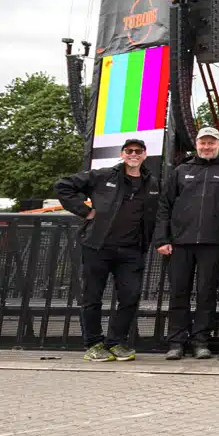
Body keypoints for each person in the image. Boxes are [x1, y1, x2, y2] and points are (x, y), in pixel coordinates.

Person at [53, 137, 162, 362]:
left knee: (130, 296)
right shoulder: (103, 175)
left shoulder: (152, 183)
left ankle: (116, 342)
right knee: (92, 297)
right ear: (122, 154)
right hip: (98, 246)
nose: (134, 154)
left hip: (132, 250)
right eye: (129, 151)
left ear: (144, 155)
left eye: (138, 151)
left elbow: (159, 213)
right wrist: (85, 211)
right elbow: (63, 186)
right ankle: (93, 344)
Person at [155, 127, 219, 360]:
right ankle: (176, 341)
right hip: (180, 243)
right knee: (178, 292)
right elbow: (165, 206)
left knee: (207, 293)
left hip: (213, 245)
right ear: (196, 144)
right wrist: (162, 239)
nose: (207, 147)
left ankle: (201, 341)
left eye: (211, 143)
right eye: (203, 143)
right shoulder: (181, 171)